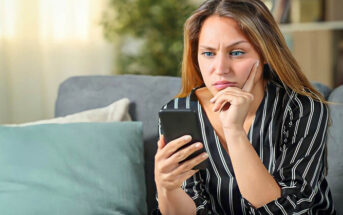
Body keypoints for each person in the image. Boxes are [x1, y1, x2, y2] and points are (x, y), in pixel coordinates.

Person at [153, 0, 336, 214]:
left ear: (265, 53)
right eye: (208, 53)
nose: (220, 69)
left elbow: (289, 209)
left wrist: (234, 130)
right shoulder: (180, 113)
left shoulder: (303, 108)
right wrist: (167, 188)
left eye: (237, 52)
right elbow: (193, 208)